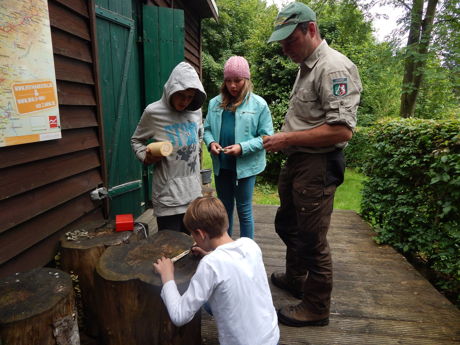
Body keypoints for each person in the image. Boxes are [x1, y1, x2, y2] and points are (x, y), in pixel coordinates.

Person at [264, 2, 362, 327]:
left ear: (311, 30)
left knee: (312, 239)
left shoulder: (333, 68)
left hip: (318, 166)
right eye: (281, 43)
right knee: (287, 224)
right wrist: (288, 140)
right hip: (299, 162)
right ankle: (296, 279)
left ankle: (317, 306)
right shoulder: (305, 65)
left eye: (289, 41)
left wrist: (286, 139)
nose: (284, 49)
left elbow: (341, 129)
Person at [153, 196, 280, 345]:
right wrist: (210, 253)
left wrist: (167, 277)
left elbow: (179, 316)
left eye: (193, 235)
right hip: (271, 336)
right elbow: (229, 265)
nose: (193, 239)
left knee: (204, 297)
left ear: (201, 234)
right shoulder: (250, 245)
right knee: (210, 297)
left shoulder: (210, 265)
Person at [203, 56, 274, 239]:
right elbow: (207, 129)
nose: (232, 86)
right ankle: (225, 251)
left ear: (247, 80)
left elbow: (266, 137)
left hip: (246, 167)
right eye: (228, 81)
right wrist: (211, 143)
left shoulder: (259, 105)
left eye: (237, 80)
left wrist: (242, 148)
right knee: (224, 210)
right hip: (222, 165)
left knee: (244, 210)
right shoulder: (214, 103)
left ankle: (247, 253)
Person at [131, 62, 206, 233]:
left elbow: (198, 137)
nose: (185, 102)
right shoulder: (153, 112)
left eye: (190, 97)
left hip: (193, 196)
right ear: (171, 89)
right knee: (170, 250)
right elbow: (136, 140)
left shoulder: (196, 112)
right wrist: (146, 156)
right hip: (168, 199)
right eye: (181, 95)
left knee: (191, 249)